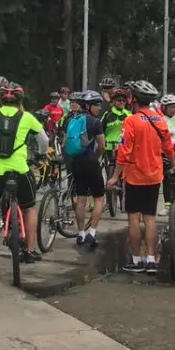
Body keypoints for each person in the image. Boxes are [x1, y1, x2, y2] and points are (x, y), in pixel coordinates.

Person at [0, 82, 47, 266]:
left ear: (0, 100)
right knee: (29, 207)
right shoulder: (27, 117)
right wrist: (40, 155)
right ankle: (29, 250)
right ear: (20, 101)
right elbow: (43, 140)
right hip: (19, 169)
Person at [107, 80, 175, 272]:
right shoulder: (160, 119)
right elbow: (168, 146)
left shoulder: (131, 120)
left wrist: (114, 177)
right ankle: (152, 260)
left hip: (135, 176)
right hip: (154, 175)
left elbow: (124, 152)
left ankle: (137, 261)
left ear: (135, 99)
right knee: (150, 218)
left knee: (133, 218)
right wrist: (173, 162)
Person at [62, 90, 106, 247]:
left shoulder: (72, 120)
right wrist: (98, 157)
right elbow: (102, 145)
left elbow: (65, 143)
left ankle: (80, 233)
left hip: (76, 162)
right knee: (99, 199)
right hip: (91, 163)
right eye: (96, 105)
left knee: (80, 199)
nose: (99, 108)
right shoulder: (95, 122)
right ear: (88, 106)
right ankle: (92, 233)